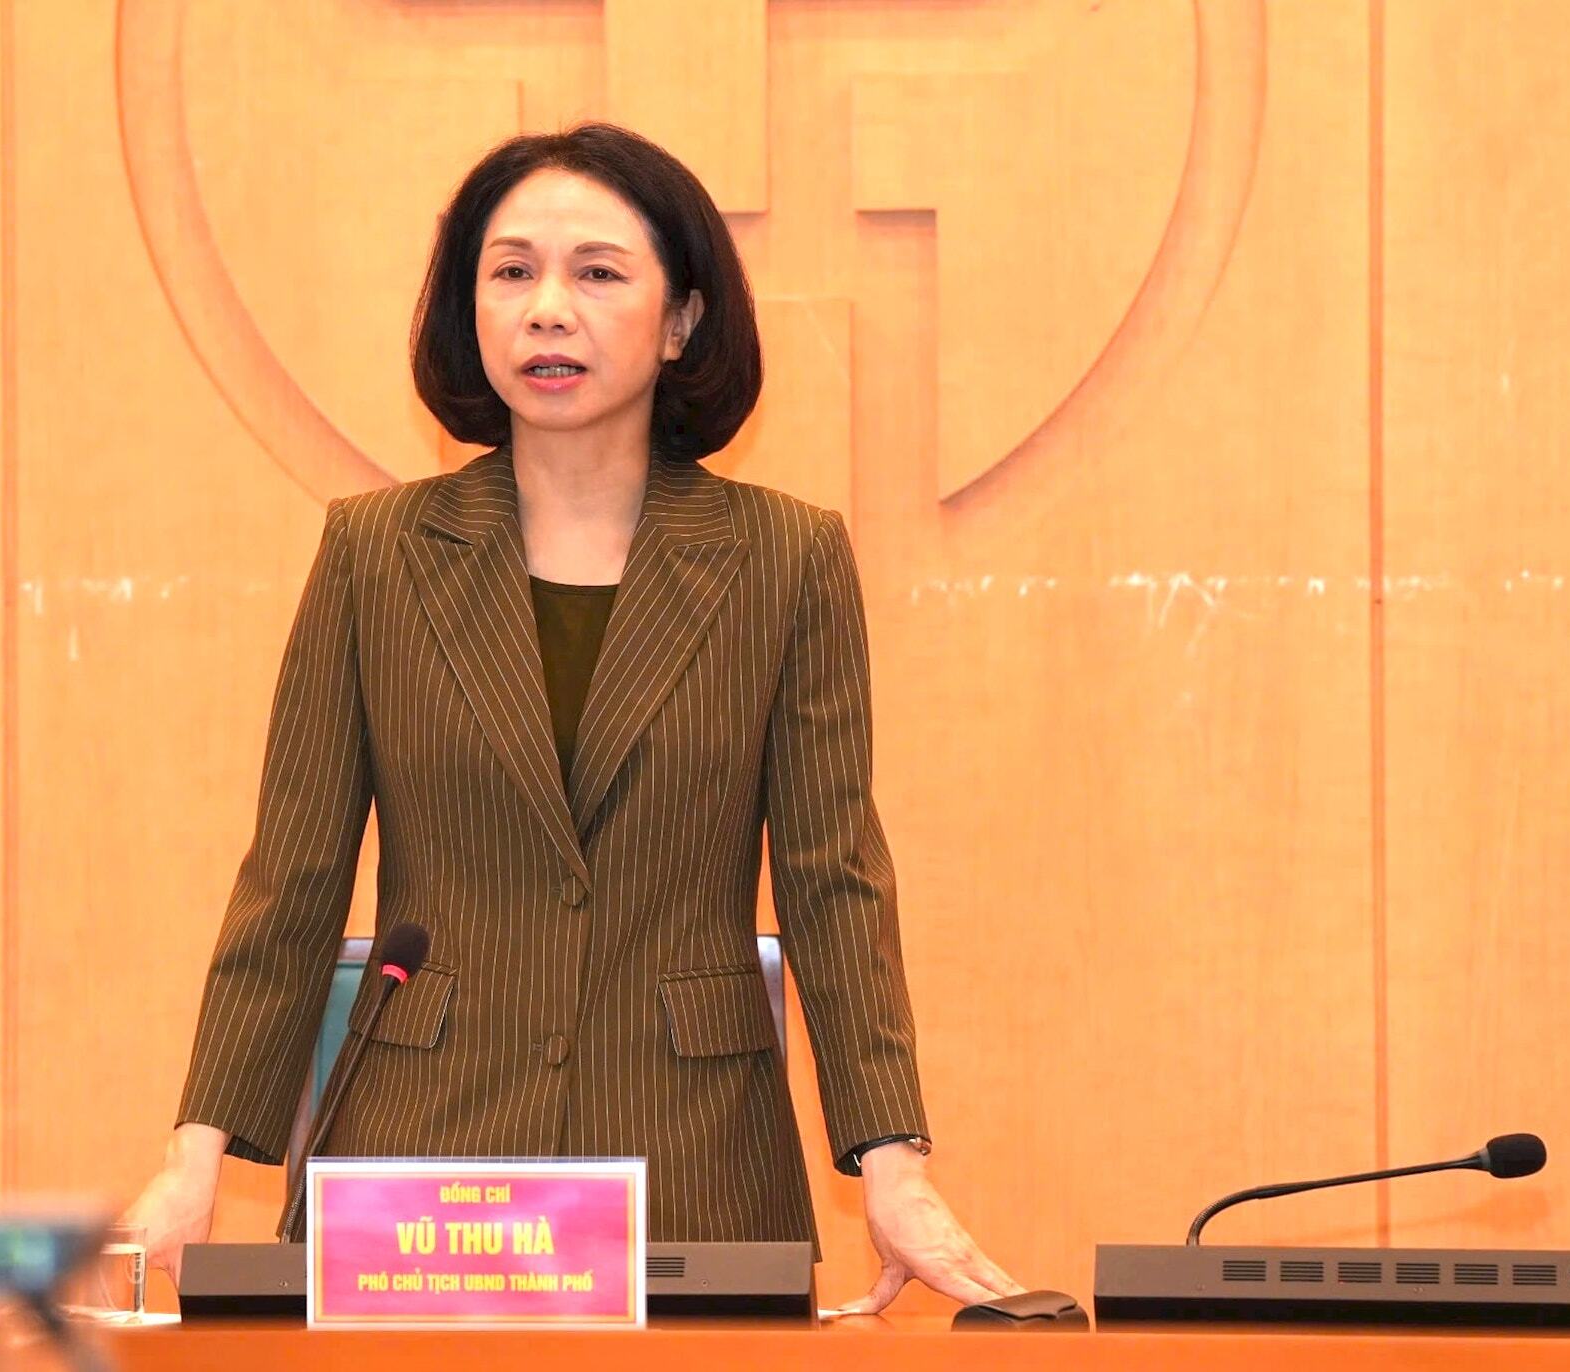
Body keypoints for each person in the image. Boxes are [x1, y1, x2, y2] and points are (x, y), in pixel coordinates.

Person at [123, 122, 1021, 1314]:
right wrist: (195, 1158)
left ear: (682, 319)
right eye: (512, 272)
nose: (548, 310)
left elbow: (834, 879)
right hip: (424, 1162)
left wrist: (893, 1166)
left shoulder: (784, 558)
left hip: (693, 1150)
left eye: (597, 272)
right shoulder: (374, 556)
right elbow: (291, 878)